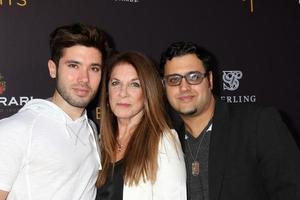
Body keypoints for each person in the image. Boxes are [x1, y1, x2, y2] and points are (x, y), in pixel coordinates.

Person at [160, 41, 300, 200]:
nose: (184, 87)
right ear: (164, 87)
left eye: (194, 77)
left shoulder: (257, 124)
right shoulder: (168, 145)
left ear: (210, 80)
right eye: (174, 80)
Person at [0, 23, 110, 200]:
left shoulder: (91, 129)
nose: (84, 78)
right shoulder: (15, 130)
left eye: (94, 68)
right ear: (53, 69)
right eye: (74, 66)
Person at [96, 51, 186, 200]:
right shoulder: (99, 142)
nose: (122, 93)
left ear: (148, 92)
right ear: (107, 92)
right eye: (115, 83)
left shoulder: (163, 142)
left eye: (134, 84)